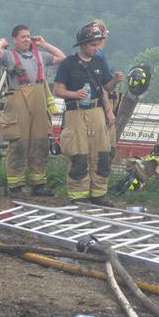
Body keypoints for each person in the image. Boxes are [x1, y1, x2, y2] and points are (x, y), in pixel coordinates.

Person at [0, 25, 66, 196]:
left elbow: (62, 57)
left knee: (40, 141)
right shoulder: (9, 56)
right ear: (14, 39)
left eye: (28, 36)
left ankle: (38, 183)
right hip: (18, 99)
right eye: (23, 37)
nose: (26, 40)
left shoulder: (40, 55)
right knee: (19, 142)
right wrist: (2, 42)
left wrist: (43, 44)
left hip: (39, 100)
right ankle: (14, 185)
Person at [54, 22, 115, 205]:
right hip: (76, 113)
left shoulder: (99, 61)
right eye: (93, 45)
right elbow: (58, 90)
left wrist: (109, 110)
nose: (96, 48)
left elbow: (105, 88)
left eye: (98, 44)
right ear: (83, 44)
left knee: (102, 153)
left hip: (97, 111)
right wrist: (74, 94)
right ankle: (79, 196)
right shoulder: (68, 64)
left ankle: (98, 194)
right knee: (78, 154)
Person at [91, 20, 124, 158]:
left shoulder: (96, 54)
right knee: (104, 150)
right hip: (103, 106)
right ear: (105, 34)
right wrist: (109, 111)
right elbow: (101, 87)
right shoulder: (98, 55)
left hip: (102, 105)